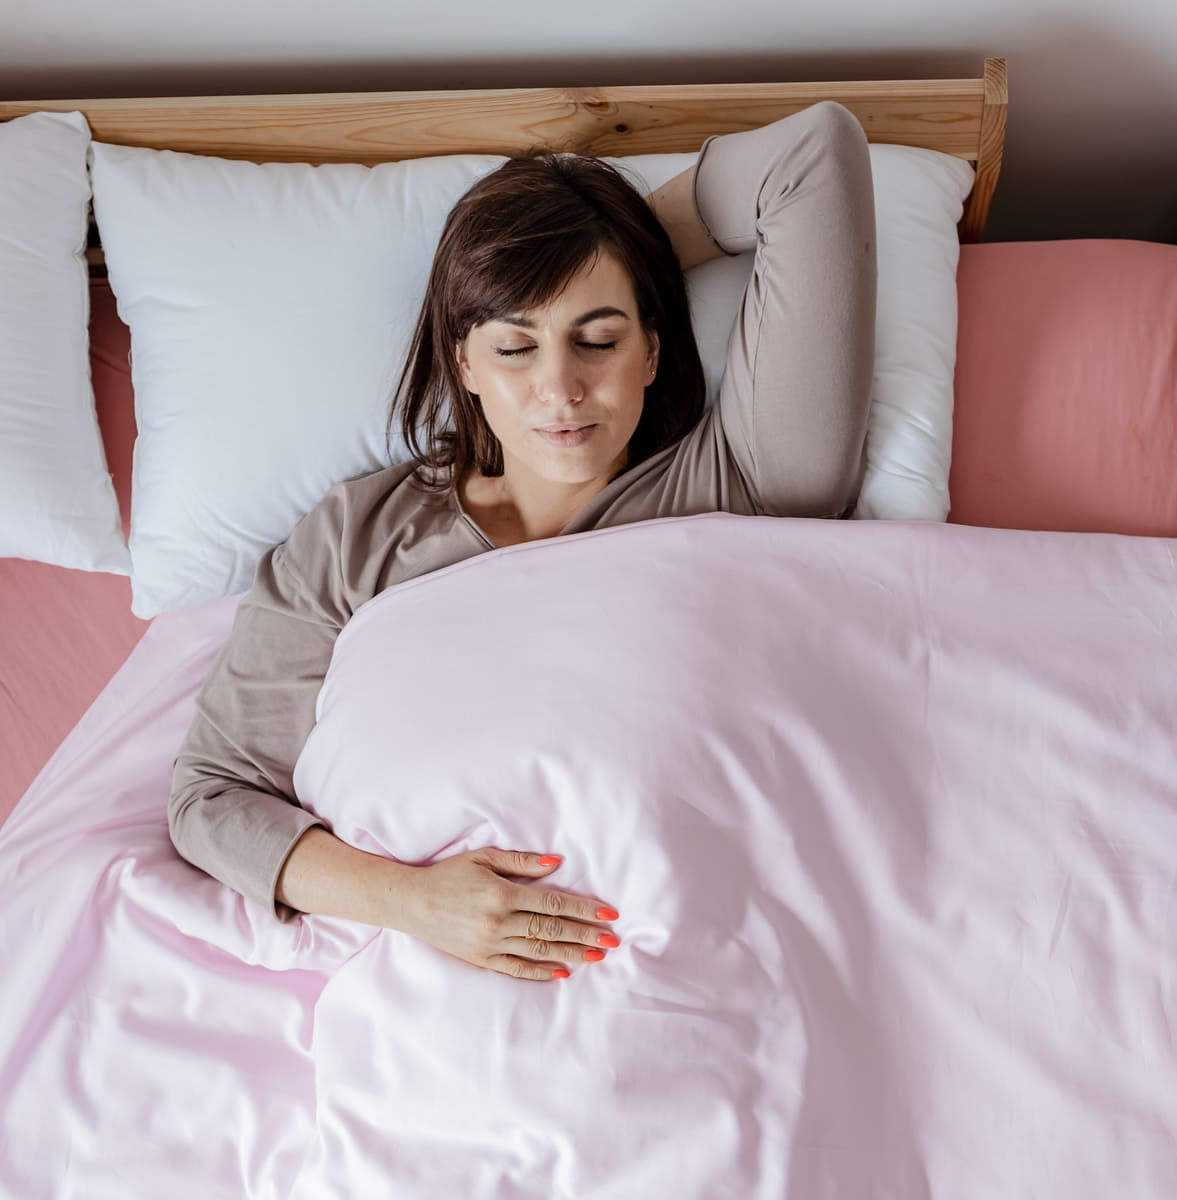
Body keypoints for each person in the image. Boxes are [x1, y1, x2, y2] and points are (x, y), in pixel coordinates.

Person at [168, 99, 878, 983]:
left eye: (599, 339)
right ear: (463, 363)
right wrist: (412, 901)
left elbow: (813, 152)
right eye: (515, 348)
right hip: (419, 975)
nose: (561, 389)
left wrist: (608, 245)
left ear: (653, 353)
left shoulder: (746, 480)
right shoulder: (356, 538)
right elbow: (210, 799)